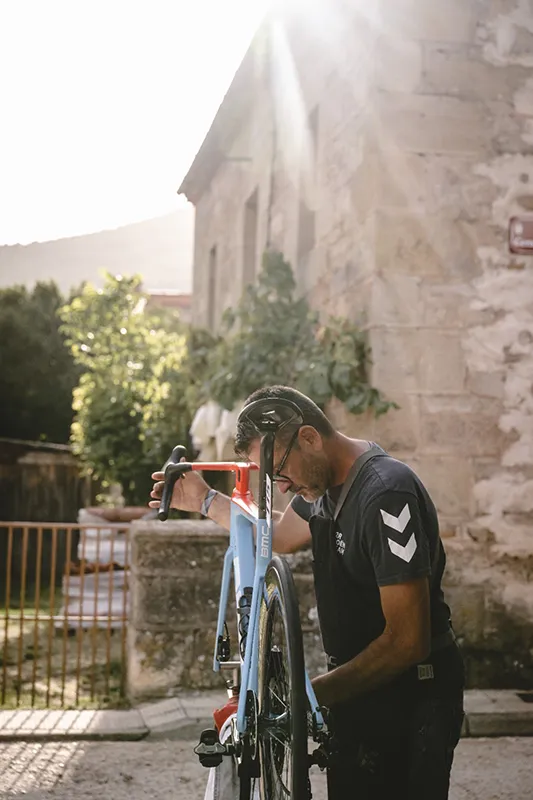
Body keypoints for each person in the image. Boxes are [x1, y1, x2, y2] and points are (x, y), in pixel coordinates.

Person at [149, 385, 464, 800]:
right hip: (359, 693)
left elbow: (407, 641)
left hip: (413, 700)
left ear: (310, 438)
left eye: (280, 472)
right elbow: (276, 535)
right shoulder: (323, 488)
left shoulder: (386, 494)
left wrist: (304, 695)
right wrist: (206, 499)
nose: (280, 487)